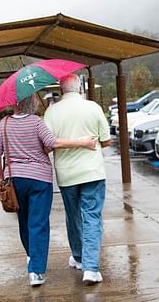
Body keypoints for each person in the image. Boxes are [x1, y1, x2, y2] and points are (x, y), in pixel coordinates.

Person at [0, 95, 96, 287]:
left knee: (24, 222)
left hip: (15, 179)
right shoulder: (37, 122)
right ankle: (36, 271)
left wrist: (0, 177)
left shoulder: (4, 124)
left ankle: (33, 256)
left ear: (15, 104)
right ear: (31, 103)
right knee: (38, 223)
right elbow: (52, 144)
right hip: (39, 179)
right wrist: (82, 142)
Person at [43, 74, 112, 285]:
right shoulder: (93, 107)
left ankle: (79, 257)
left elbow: (47, 145)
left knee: (73, 216)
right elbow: (107, 141)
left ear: (62, 89)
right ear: (79, 87)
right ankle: (91, 268)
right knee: (91, 216)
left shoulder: (51, 112)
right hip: (92, 171)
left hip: (67, 174)